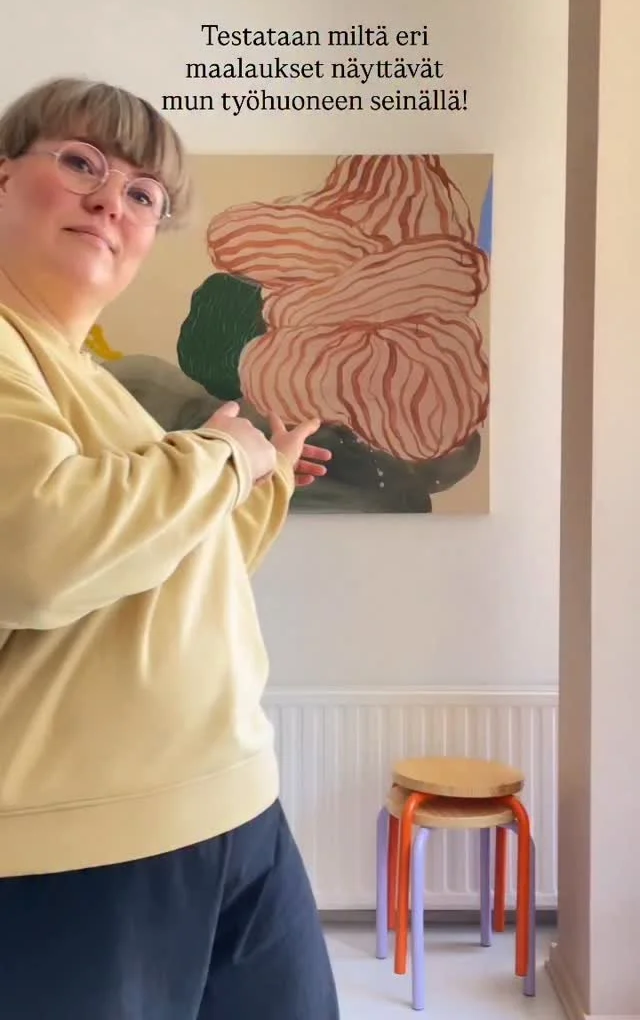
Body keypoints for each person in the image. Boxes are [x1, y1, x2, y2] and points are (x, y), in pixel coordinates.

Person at [0, 76, 339, 1020]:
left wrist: (262, 478)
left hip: (233, 801)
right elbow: (37, 553)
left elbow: (158, 583)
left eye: (143, 193)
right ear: (3, 178)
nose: (113, 200)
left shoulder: (89, 380)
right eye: (82, 163)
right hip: (81, 845)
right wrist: (221, 456)